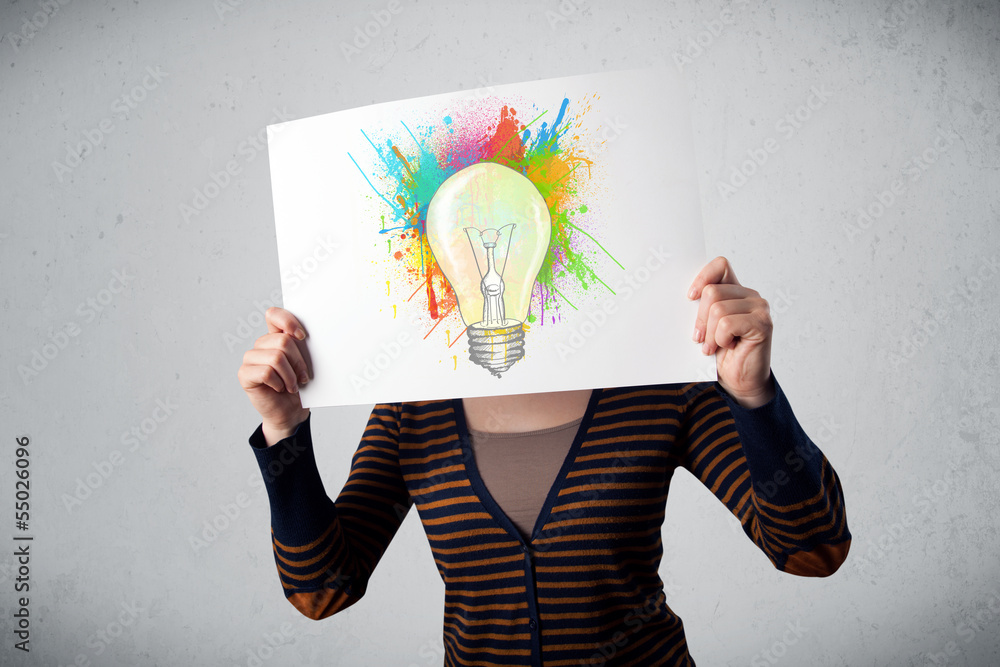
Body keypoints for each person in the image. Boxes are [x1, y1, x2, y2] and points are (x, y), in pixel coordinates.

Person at [238, 256, 851, 666]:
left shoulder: (656, 382)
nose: (490, 268)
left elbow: (811, 548)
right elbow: (322, 589)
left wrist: (752, 395)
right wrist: (284, 427)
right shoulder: (413, 406)